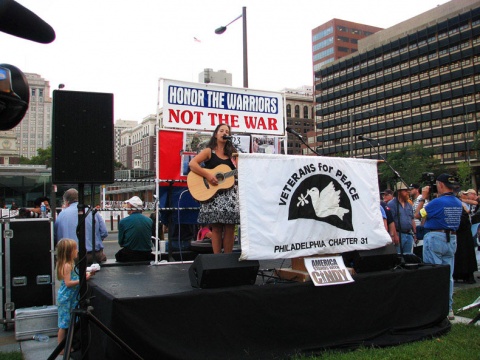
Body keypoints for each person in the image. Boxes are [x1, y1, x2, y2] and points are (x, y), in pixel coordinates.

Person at [189, 124, 240, 254]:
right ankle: (217, 259)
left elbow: (239, 172)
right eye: (221, 130)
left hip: (230, 195)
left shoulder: (233, 154)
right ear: (216, 134)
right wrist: (208, 175)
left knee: (230, 227)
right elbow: (192, 164)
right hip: (214, 195)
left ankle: (227, 259)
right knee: (216, 227)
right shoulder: (209, 151)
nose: (224, 133)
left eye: (227, 131)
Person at [419, 173, 463, 320]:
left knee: (434, 274)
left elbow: (418, 214)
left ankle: (435, 309)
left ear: (441, 185)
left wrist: (423, 197)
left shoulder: (437, 203)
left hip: (436, 237)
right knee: (448, 276)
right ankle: (448, 308)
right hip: (452, 238)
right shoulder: (457, 202)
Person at [56, 238, 94, 354]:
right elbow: (68, 283)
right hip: (67, 298)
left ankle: (68, 344)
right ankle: (61, 349)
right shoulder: (67, 265)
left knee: (69, 322)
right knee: (64, 324)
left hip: (70, 298)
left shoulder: (70, 264)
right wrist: (82, 280)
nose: (77, 251)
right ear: (69, 252)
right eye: (75, 249)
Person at [54, 188, 108, 265]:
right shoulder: (92, 211)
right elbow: (104, 233)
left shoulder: (62, 214)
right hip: (94, 255)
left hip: (72, 257)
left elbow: (58, 238)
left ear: (66, 201)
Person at [115, 196, 154, 262]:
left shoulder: (123, 221)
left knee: (118, 255)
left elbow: (120, 242)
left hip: (130, 254)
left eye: (127, 205)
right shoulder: (149, 220)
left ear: (130, 206)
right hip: (146, 254)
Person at [388, 182, 417, 254]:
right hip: (398, 233)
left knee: (408, 256)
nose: (408, 192)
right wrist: (394, 235)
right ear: (399, 192)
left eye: (408, 190)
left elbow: (412, 219)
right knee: (398, 256)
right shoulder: (392, 204)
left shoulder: (409, 204)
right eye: (405, 191)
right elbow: (391, 221)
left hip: (409, 234)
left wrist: (415, 233)